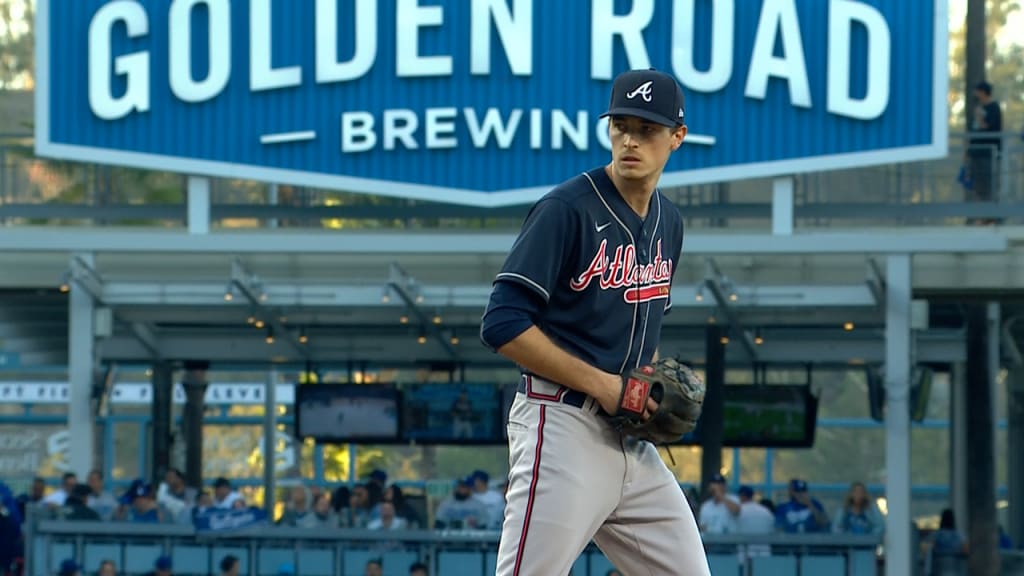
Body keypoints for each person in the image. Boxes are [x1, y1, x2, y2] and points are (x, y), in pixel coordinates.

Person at [480, 68, 707, 575]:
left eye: (646, 129)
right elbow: (501, 323)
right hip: (560, 425)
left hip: (627, 438)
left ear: (677, 137)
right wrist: (606, 385)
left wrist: (644, 390)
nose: (630, 139)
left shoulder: (669, 222)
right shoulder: (566, 208)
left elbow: (643, 327)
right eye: (620, 124)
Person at [966, 81, 1003, 221]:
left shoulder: (993, 108)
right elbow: (972, 132)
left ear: (983, 92)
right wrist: (967, 151)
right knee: (977, 185)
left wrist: (981, 118)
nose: (975, 94)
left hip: (989, 154)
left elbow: (992, 129)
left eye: (977, 91)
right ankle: (980, 216)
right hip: (976, 153)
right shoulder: (976, 108)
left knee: (990, 184)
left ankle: (992, 216)